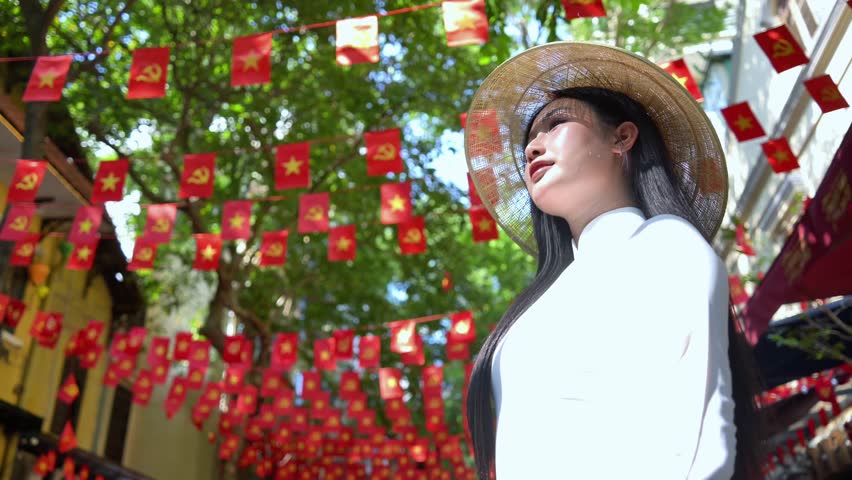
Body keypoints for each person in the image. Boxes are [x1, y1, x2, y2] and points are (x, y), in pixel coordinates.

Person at [464, 42, 765, 479]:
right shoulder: (539, 304)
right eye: (529, 140)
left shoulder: (664, 246)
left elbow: (697, 444)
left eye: (555, 123)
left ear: (622, 138)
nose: (532, 147)